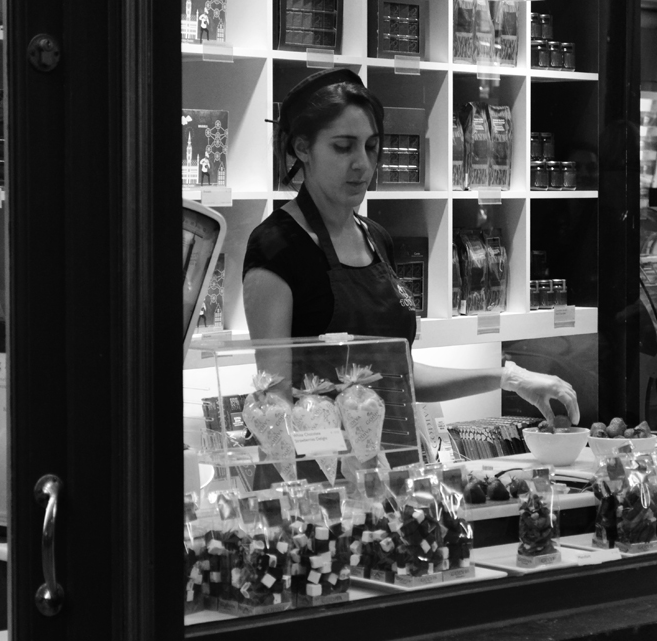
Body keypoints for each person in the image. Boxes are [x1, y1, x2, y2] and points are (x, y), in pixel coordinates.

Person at [243, 68, 579, 426]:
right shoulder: (277, 248)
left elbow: (400, 376)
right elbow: (275, 400)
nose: (362, 163)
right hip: (321, 457)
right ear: (302, 148)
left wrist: (508, 378)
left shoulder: (376, 238)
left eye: (371, 147)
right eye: (343, 147)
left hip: (392, 453)